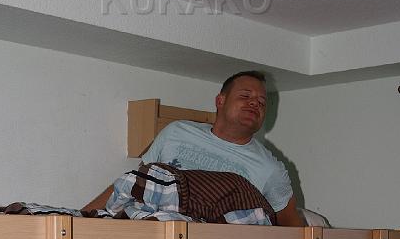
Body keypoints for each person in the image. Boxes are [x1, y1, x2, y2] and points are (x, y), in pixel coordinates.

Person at [83, 70, 304, 227]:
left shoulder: (270, 169)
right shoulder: (176, 132)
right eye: (245, 96)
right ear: (220, 101)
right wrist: (80, 218)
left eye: (262, 102)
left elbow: (292, 227)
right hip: (147, 229)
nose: (255, 103)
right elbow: (136, 183)